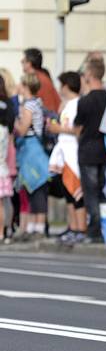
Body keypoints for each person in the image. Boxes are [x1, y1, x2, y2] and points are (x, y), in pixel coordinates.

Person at [46, 72, 86, 243]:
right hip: (63, 152)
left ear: (67, 86)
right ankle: (73, 226)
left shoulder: (78, 104)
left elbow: (78, 129)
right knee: (68, 192)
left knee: (76, 191)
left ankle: (80, 228)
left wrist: (58, 129)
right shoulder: (66, 104)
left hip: (73, 151)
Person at [75, 56, 106, 244]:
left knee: (91, 192)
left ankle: (94, 231)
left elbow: (78, 129)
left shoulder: (85, 101)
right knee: (101, 189)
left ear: (89, 75)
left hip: (87, 150)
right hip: (104, 150)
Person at [14, 73, 49, 238]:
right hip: (34, 146)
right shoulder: (37, 102)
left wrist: (14, 121)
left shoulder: (28, 105)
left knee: (35, 185)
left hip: (30, 148)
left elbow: (22, 129)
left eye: (20, 83)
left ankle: (37, 227)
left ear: (26, 86)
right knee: (35, 186)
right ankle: (35, 225)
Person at [21, 48, 60, 113]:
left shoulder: (40, 79)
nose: (21, 62)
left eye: (24, 61)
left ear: (29, 63)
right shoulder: (38, 77)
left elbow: (48, 106)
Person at [0, 76, 15, 242]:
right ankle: (8, 230)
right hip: (5, 162)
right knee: (6, 200)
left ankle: (2, 232)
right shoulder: (9, 104)